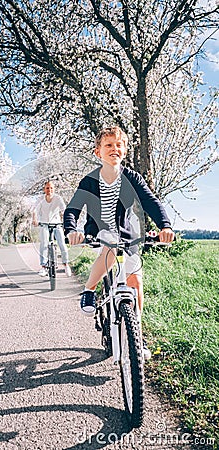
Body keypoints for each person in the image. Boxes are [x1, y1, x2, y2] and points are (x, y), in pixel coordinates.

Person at [63, 126, 175, 359]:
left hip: (128, 233)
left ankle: (137, 333)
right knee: (111, 246)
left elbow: (150, 202)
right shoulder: (90, 181)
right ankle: (89, 290)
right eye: (108, 145)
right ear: (98, 152)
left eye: (119, 145)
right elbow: (73, 208)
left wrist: (165, 225)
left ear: (124, 150)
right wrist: (71, 230)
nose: (114, 148)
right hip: (100, 233)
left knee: (135, 280)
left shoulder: (132, 177)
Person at [32, 180, 72, 277]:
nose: (49, 190)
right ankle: (43, 267)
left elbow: (64, 210)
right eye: (47, 188)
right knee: (44, 243)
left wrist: (65, 221)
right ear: (44, 189)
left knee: (62, 243)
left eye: (51, 188)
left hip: (57, 224)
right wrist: (34, 220)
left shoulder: (58, 198)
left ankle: (66, 265)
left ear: (54, 189)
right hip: (44, 224)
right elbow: (34, 210)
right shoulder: (40, 199)